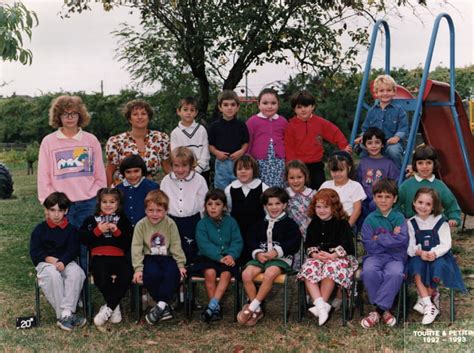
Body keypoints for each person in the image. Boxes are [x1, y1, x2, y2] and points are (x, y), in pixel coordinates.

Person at [37, 95, 106, 270]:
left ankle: (83, 294)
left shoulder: (91, 140)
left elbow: (100, 175)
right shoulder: (49, 141)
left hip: (88, 203)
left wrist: (97, 197)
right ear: (58, 116)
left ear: (80, 115)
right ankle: (67, 292)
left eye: (74, 113)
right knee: (63, 248)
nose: (70, 117)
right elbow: (43, 176)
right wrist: (49, 204)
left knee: (84, 248)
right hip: (61, 206)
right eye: (65, 113)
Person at [237, 187, 301, 326]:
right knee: (246, 274)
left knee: (270, 273)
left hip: (280, 259)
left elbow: (293, 242)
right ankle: (258, 310)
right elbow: (251, 240)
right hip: (260, 258)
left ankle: (252, 306)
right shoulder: (259, 224)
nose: (274, 207)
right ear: (265, 206)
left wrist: (276, 252)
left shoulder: (290, 224)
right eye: (270, 204)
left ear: (284, 205)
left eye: (277, 203)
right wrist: (258, 253)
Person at [297, 189, 357, 326]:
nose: (321, 210)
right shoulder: (313, 224)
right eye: (318, 207)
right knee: (308, 269)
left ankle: (321, 306)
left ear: (334, 207)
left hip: (340, 259)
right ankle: (322, 306)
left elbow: (347, 245)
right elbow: (309, 244)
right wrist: (315, 254)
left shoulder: (342, 223)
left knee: (330, 269)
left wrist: (332, 255)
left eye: (326, 207)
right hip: (319, 258)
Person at [406, 188, 466, 325]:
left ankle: (424, 299)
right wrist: (420, 253)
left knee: (439, 267)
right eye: (420, 202)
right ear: (414, 203)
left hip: (439, 256)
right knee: (416, 266)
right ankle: (429, 305)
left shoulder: (441, 221)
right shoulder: (411, 223)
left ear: (434, 206)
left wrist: (434, 253)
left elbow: (446, 244)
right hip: (419, 255)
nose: (423, 206)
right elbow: (410, 246)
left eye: (428, 204)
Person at [29, 192, 87, 332]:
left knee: (77, 273)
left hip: (66, 261)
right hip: (46, 264)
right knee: (53, 276)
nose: (56, 214)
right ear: (46, 210)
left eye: (60, 211)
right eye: (52, 210)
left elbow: (74, 249)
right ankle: (64, 316)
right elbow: (35, 252)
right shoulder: (40, 230)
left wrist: (64, 261)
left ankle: (66, 313)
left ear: (66, 211)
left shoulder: (71, 230)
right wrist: (49, 259)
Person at [131, 190, 187, 325]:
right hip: (149, 257)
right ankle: (164, 306)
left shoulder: (170, 224)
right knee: (150, 275)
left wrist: (180, 264)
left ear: (166, 211)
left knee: (171, 273)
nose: (154, 214)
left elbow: (175, 245)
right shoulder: (141, 225)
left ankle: (160, 305)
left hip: (167, 257)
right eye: (151, 210)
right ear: (145, 210)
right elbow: (136, 247)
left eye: (159, 210)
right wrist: (138, 268)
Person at [80, 188, 133, 327]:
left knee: (127, 275)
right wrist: (97, 231)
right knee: (101, 277)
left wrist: (117, 232)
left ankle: (108, 308)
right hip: (99, 256)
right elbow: (83, 238)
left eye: (112, 202)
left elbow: (128, 243)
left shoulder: (123, 220)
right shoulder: (90, 220)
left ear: (118, 204)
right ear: (99, 203)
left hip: (119, 256)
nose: (108, 205)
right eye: (104, 202)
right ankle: (114, 308)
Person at [360, 178, 408, 328]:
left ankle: (378, 311)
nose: (383, 200)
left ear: (395, 199)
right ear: (374, 198)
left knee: (395, 274)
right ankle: (385, 311)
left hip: (396, 257)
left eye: (388, 197)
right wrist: (390, 238)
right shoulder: (369, 219)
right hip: (374, 257)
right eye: (379, 196)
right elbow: (369, 245)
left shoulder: (398, 218)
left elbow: (402, 240)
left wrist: (379, 238)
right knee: (368, 271)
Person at [193, 189, 243, 322]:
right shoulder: (202, 224)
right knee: (210, 272)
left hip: (228, 257)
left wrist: (231, 255)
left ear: (224, 206)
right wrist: (219, 257)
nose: (213, 207)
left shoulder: (231, 222)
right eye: (210, 204)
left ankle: (212, 306)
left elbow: (237, 241)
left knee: (226, 274)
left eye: (217, 204)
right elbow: (204, 245)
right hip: (208, 257)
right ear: (205, 206)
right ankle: (215, 308)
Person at [284, 90, 351, 190]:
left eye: (306, 106)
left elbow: (334, 132)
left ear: (313, 106)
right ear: (294, 109)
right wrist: (292, 166)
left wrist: (344, 146)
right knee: (300, 191)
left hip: (316, 164)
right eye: (299, 107)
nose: (303, 110)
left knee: (320, 191)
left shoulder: (320, 122)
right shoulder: (290, 126)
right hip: (299, 166)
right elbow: (289, 147)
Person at [106, 99, 171, 186]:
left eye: (143, 114)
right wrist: (109, 193)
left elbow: (167, 167)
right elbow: (109, 171)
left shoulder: (161, 139)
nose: (140, 117)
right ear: (129, 119)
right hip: (123, 192)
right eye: (135, 114)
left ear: (149, 117)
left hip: (150, 191)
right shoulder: (116, 142)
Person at [160, 146, 208, 265]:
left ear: (191, 165)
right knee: (174, 253)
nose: (180, 170)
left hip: (193, 221)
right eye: (176, 166)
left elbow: (204, 205)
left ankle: (190, 279)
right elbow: (162, 203)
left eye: (184, 166)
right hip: (172, 221)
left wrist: (203, 225)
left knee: (191, 253)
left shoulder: (199, 180)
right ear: (171, 166)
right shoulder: (166, 181)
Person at [397, 145, 462, 227]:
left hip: (435, 228)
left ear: (434, 164)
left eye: (428, 163)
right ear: (415, 164)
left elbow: (452, 206)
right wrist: (400, 220)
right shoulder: (406, 186)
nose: (424, 166)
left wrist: (453, 218)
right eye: (420, 163)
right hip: (412, 228)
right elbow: (395, 205)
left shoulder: (440, 186)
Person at [354, 74, 408, 169]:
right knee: (362, 149)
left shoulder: (399, 110)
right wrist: (362, 136)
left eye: (388, 90)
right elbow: (366, 128)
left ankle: (398, 174)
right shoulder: (372, 111)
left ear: (394, 92)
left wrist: (396, 137)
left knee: (394, 151)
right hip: (375, 141)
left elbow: (403, 127)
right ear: (376, 93)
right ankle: (366, 174)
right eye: (381, 91)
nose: (385, 93)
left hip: (390, 142)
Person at [224, 155, 268, 265]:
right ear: (235, 171)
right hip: (237, 233)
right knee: (238, 261)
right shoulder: (230, 189)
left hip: (258, 232)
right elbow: (228, 211)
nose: (243, 172)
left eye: (247, 168)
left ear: (254, 170)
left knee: (255, 262)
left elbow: (268, 212)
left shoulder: (263, 188)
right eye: (239, 169)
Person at [356, 127, 400, 224]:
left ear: (382, 144)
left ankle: (377, 228)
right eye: (370, 143)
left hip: (381, 198)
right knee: (359, 206)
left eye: (377, 142)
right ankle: (361, 231)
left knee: (374, 205)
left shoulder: (389, 163)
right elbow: (358, 182)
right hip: (365, 197)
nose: (373, 146)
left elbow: (394, 183)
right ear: (365, 145)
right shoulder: (363, 162)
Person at [246, 88, 288, 188]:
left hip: (279, 163)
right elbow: (248, 141)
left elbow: (287, 142)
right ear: (258, 104)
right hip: (259, 162)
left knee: (279, 188)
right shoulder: (252, 121)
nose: (269, 106)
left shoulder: (283, 121)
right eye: (265, 103)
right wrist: (247, 159)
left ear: (278, 104)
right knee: (261, 188)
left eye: (273, 103)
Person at [208, 90, 249, 189]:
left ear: (237, 107)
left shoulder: (241, 125)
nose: (229, 108)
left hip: (238, 162)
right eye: (226, 105)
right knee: (221, 189)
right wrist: (217, 153)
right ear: (220, 107)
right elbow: (210, 145)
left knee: (238, 188)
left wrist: (241, 151)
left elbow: (246, 142)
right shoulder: (214, 126)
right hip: (221, 163)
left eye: (232, 105)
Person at [320, 152, 366, 228]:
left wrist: (347, 227)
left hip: (346, 221)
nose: (337, 174)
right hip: (326, 221)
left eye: (341, 170)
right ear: (329, 170)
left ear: (349, 168)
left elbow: (357, 210)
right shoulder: (325, 185)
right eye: (334, 171)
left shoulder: (355, 186)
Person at [170, 96, 211, 183]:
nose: (188, 113)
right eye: (185, 109)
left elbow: (205, 154)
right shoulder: (175, 133)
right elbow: (175, 155)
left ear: (196, 113)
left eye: (192, 110)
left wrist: (197, 170)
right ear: (178, 111)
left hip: (202, 171)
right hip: (183, 172)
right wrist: (186, 170)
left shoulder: (201, 130)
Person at [284, 160, 316, 269]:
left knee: (310, 266)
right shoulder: (284, 195)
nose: (296, 181)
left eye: (299, 177)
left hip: (310, 236)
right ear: (286, 179)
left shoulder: (313, 195)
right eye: (292, 178)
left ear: (305, 177)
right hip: (290, 236)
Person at [115, 154, 159, 227]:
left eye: (136, 171)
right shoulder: (118, 189)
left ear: (142, 170)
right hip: (125, 231)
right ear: (123, 173)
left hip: (147, 228)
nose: (132, 175)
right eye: (128, 172)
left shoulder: (152, 187)